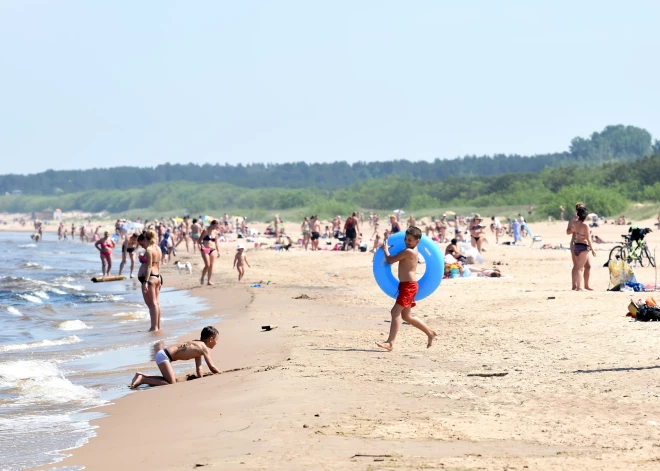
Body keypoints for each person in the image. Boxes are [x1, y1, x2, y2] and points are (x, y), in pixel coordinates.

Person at [376, 227, 437, 352]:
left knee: (395, 312)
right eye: (405, 239)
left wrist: (386, 250)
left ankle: (390, 343)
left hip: (409, 286)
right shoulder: (412, 249)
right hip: (405, 285)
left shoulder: (409, 251)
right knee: (407, 316)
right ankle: (430, 333)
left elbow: (390, 260)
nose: (406, 241)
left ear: (417, 241)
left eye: (410, 240)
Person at [130, 326, 221, 388]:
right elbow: (212, 367)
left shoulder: (198, 345)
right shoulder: (204, 348)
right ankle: (143, 380)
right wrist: (220, 373)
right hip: (164, 356)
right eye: (216, 340)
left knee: (168, 379)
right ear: (211, 339)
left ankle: (141, 375)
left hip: (163, 354)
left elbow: (199, 367)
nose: (217, 343)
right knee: (170, 382)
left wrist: (200, 378)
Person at [138, 230, 163, 331]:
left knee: (152, 304)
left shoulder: (149, 250)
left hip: (150, 278)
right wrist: (160, 278)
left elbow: (149, 267)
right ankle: (157, 326)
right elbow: (158, 264)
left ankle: (154, 327)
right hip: (156, 276)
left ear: (145, 238)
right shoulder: (158, 248)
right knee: (156, 303)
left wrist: (145, 282)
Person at [568, 207, 596, 291]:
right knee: (580, 268)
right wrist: (593, 249)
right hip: (583, 246)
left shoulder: (575, 224)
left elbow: (571, 231)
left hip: (576, 245)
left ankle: (580, 286)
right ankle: (579, 287)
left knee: (580, 266)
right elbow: (588, 238)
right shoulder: (585, 225)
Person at [199, 220, 221, 285]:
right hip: (205, 249)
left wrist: (218, 251)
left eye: (216, 226)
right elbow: (200, 240)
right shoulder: (205, 230)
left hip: (213, 249)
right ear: (211, 224)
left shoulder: (215, 232)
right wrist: (202, 245)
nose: (215, 228)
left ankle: (209, 281)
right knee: (207, 265)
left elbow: (216, 243)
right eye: (214, 226)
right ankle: (202, 277)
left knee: (211, 266)